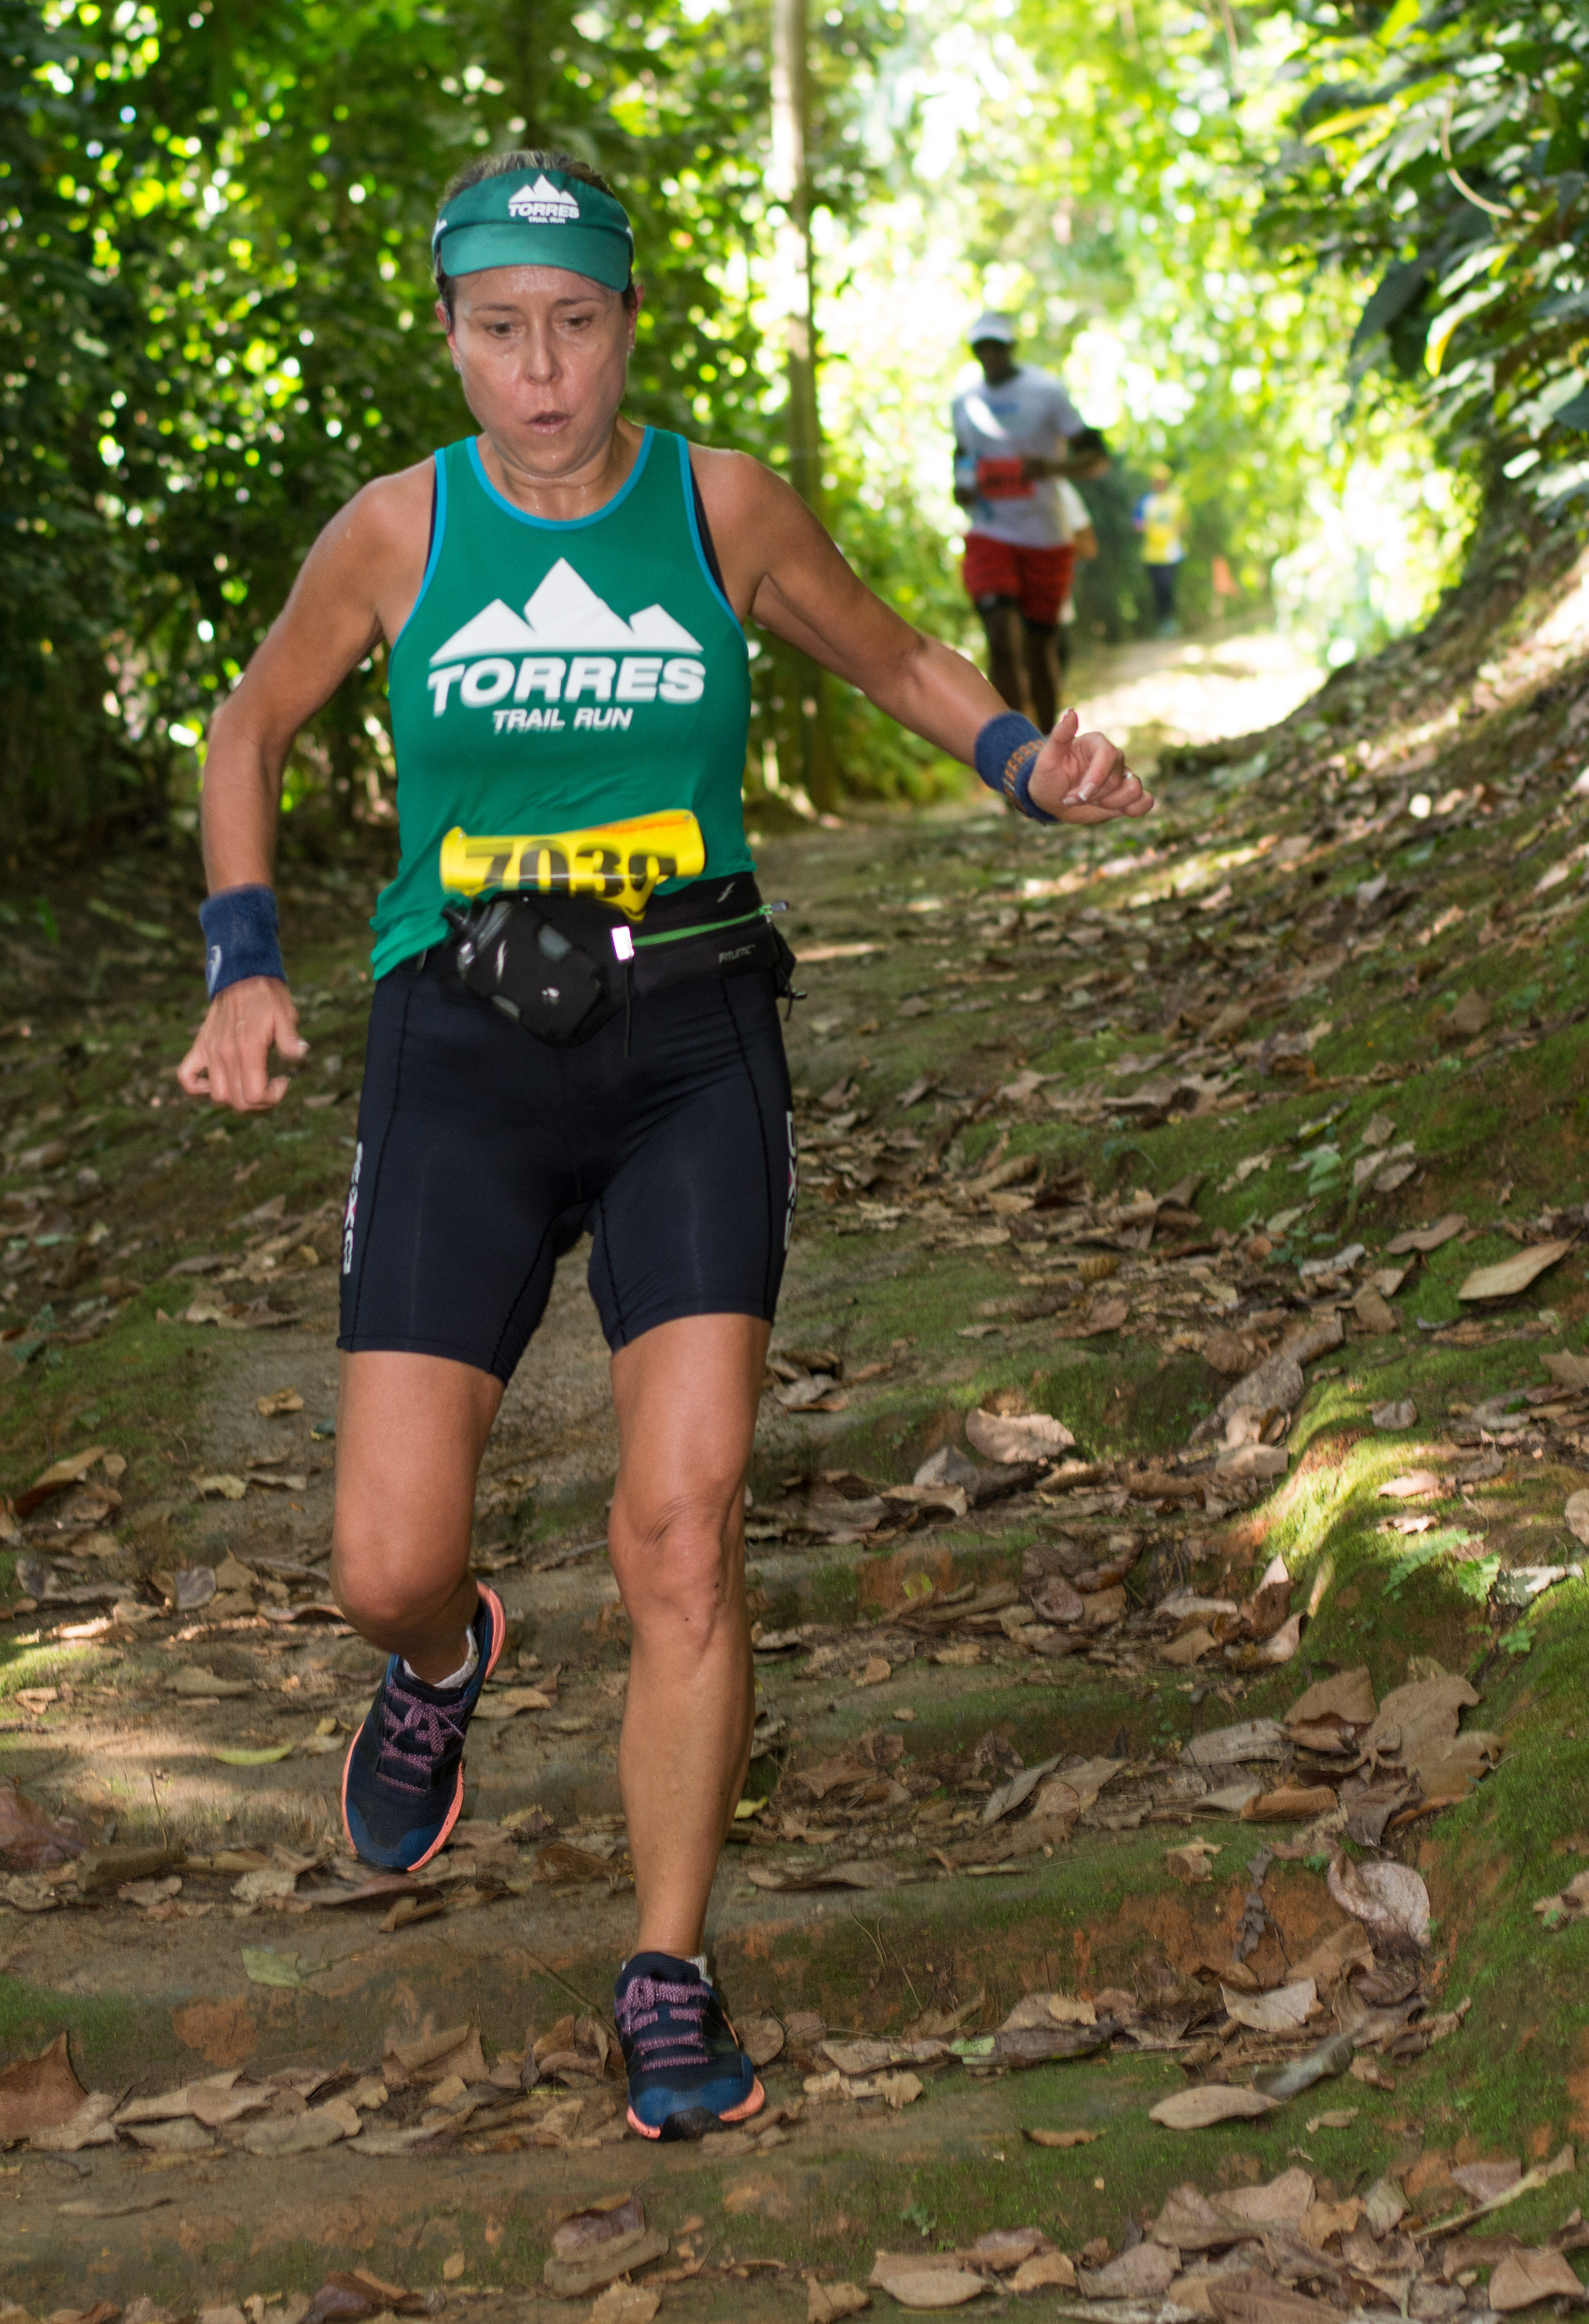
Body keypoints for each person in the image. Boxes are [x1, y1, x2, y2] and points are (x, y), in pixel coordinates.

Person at [175, 153, 1155, 2144]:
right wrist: (244, 964)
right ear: (449, 338)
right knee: (386, 1560)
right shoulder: (396, 531)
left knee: (683, 1528)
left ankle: (665, 1962)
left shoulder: (712, 506)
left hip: (690, 1036)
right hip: (456, 1044)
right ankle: (441, 1665)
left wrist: (1019, 765)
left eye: (577, 325)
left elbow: (892, 657)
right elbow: (244, 732)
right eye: (498, 332)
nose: (541, 375)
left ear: (629, 323)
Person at [951, 310, 1109, 729]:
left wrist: (1054, 469)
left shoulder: (1046, 392)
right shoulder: (964, 401)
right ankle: (1013, 754)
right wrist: (961, 486)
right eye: (982, 348)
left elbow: (1097, 456)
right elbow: (962, 456)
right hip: (989, 532)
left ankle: (1045, 750)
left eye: (997, 346)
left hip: (1045, 536)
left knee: (1040, 651)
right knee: (1000, 639)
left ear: (1011, 347)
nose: (990, 355)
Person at [1135, 461, 1187, 637]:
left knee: (1168, 587)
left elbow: (1184, 523)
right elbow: (1137, 522)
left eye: (1162, 480)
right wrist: (1142, 526)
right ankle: (1161, 624)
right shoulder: (1146, 502)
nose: (1158, 483)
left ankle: (1171, 622)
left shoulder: (1176, 501)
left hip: (1171, 553)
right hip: (1151, 554)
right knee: (1158, 590)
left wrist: (1177, 529)